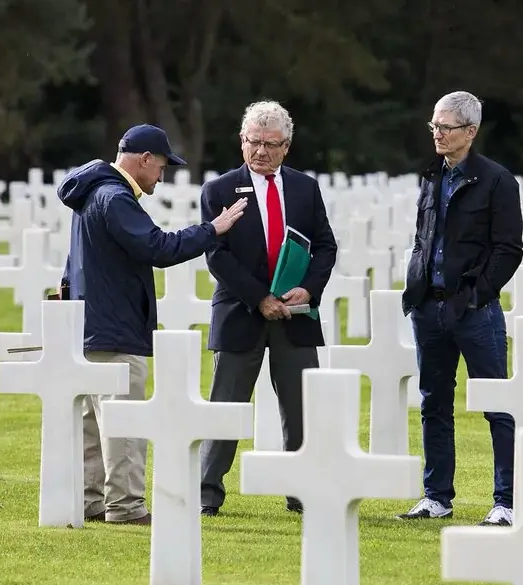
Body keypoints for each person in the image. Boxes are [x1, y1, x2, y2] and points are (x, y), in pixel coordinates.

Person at [58, 123, 247, 525]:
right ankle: (126, 507)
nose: (162, 176)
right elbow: (157, 247)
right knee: (124, 422)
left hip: (90, 324)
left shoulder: (93, 192)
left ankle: (92, 502)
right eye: (161, 167)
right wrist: (213, 230)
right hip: (117, 323)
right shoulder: (115, 197)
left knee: (95, 422)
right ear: (144, 160)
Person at [198, 100, 337, 516]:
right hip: (242, 311)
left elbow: (326, 246)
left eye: (271, 144)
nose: (261, 151)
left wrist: (308, 291)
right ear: (242, 142)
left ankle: (301, 490)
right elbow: (216, 255)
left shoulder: (304, 188)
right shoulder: (219, 190)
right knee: (227, 404)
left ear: (287, 147)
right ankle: (207, 492)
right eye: (253, 142)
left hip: (295, 314)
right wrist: (260, 298)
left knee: (300, 406)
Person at [397, 91, 523, 526]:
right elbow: (423, 237)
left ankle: (506, 501)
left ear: (470, 132)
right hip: (427, 308)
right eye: (433, 125)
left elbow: (508, 249)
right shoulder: (432, 176)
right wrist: (415, 280)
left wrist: (476, 293)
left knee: (496, 403)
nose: (437, 133)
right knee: (434, 401)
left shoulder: (497, 181)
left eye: (445, 127)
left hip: (474, 310)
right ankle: (437, 496)